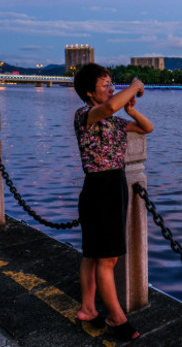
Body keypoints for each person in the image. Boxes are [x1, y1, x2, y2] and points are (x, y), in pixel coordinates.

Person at [72, 63, 153, 341]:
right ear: (90, 93)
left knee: (95, 253)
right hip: (98, 187)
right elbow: (107, 108)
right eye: (105, 84)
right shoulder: (86, 115)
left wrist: (131, 109)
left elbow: (147, 128)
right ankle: (116, 318)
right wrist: (134, 86)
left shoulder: (115, 121)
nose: (110, 88)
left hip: (114, 184)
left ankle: (87, 308)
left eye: (111, 83)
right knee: (106, 258)